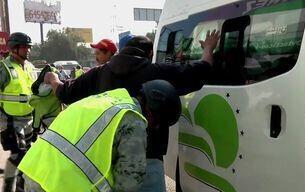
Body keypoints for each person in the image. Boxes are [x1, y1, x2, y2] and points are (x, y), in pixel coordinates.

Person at [44, 30, 220, 190]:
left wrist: (53, 79)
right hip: (149, 157)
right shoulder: (157, 72)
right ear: (150, 54)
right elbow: (200, 71)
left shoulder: (98, 74)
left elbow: (65, 93)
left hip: (106, 159)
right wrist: (209, 49)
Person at [18, 80, 181, 192]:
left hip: (33, 173)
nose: (155, 128)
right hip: (60, 186)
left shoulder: (108, 99)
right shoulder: (134, 120)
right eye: (159, 123)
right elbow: (129, 182)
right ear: (153, 114)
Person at [0, 32, 37, 192]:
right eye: (24, 47)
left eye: (29, 47)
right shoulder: (3, 68)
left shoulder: (30, 66)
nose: (28, 50)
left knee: (27, 155)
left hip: (28, 119)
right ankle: (8, 187)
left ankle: (20, 187)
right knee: (18, 154)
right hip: (10, 120)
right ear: (14, 48)